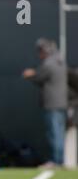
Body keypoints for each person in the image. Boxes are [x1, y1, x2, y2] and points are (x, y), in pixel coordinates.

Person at [23, 38, 68, 168]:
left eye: (40, 51)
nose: (39, 55)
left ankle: (56, 160)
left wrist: (30, 75)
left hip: (52, 104)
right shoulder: (60, 62)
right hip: (62, 103)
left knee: (54, 133)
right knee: (59, 133)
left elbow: (38, 77)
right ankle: (60, 160)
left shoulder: (49, 63)